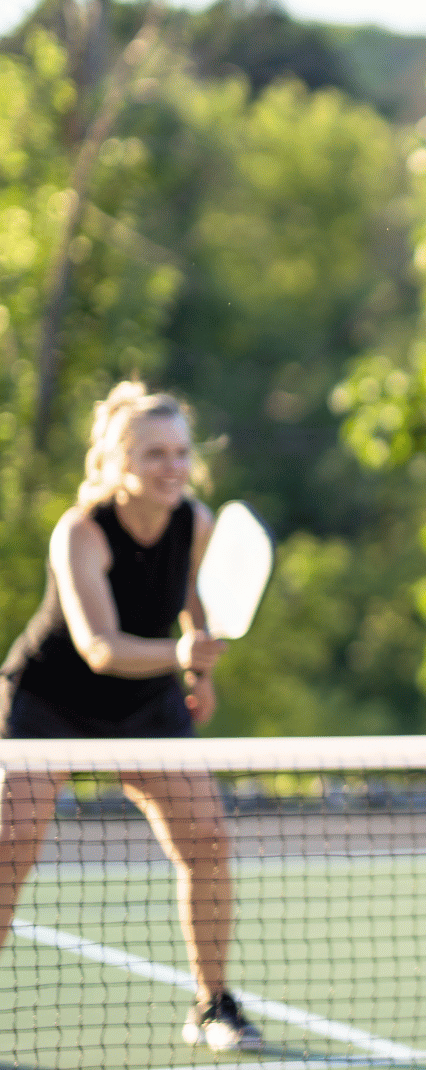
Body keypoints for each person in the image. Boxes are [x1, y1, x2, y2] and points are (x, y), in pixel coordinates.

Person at [0, 381, 258, 1052]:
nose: (171, 467)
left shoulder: (195, 521)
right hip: (48, 703)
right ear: (118, 464)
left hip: (146, 705)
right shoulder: (80, 531)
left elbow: (196, 603)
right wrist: (182, 654)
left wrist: (199, 672)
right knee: (9, 846)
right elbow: (99, 646)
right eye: (153, 455)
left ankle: (214, 1005)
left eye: (179, 453)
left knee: (206, 841)